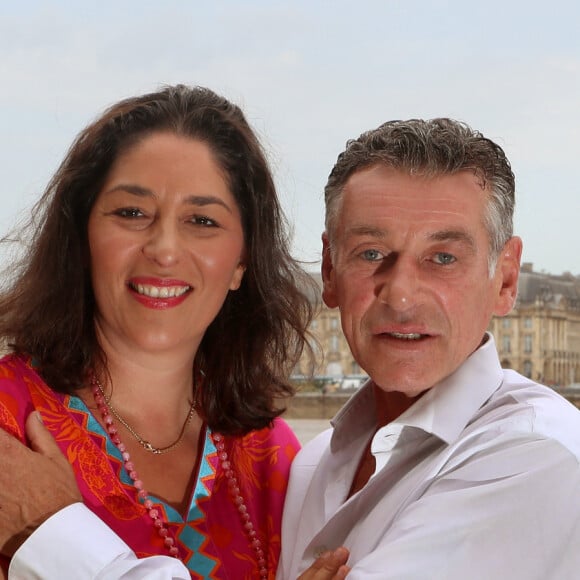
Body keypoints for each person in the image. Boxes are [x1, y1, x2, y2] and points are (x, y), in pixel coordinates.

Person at [5, 117, 580, 579]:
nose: (401, 294)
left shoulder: (536, 457)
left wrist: (53, 532)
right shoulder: (310, 464)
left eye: (444, 258)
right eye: (371, 253)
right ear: (328, 271)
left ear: (506, 280)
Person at [0, 84, 349, 579]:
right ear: (80, 236)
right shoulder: (8, 421)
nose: (164, 249)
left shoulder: (275, 458)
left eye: (202, 220)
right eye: (132, 213)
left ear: (242, 262)